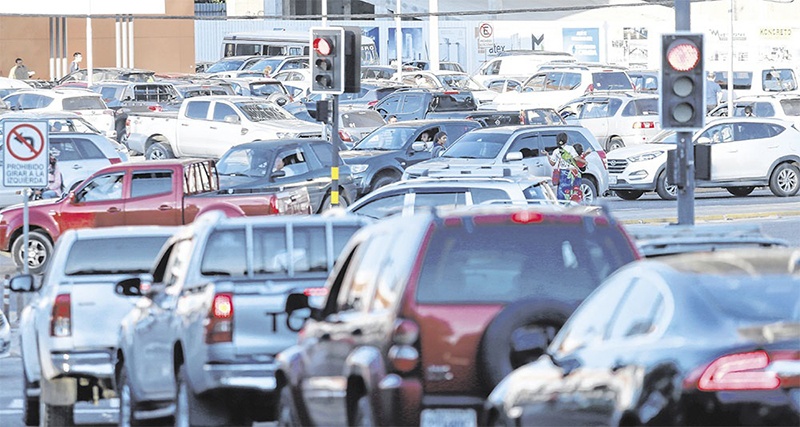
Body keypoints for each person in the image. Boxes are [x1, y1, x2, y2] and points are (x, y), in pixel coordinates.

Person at [546, 132, 586, 202]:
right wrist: (584, 161)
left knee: (562, 192)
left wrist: (547, 155)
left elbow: (552, 163)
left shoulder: (556, 151)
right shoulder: (570, 148)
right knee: (575, 191)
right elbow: (576, 158)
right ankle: (575, 207)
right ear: (566, 140)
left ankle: (564, 208)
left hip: (563, 173)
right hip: (574, 173)